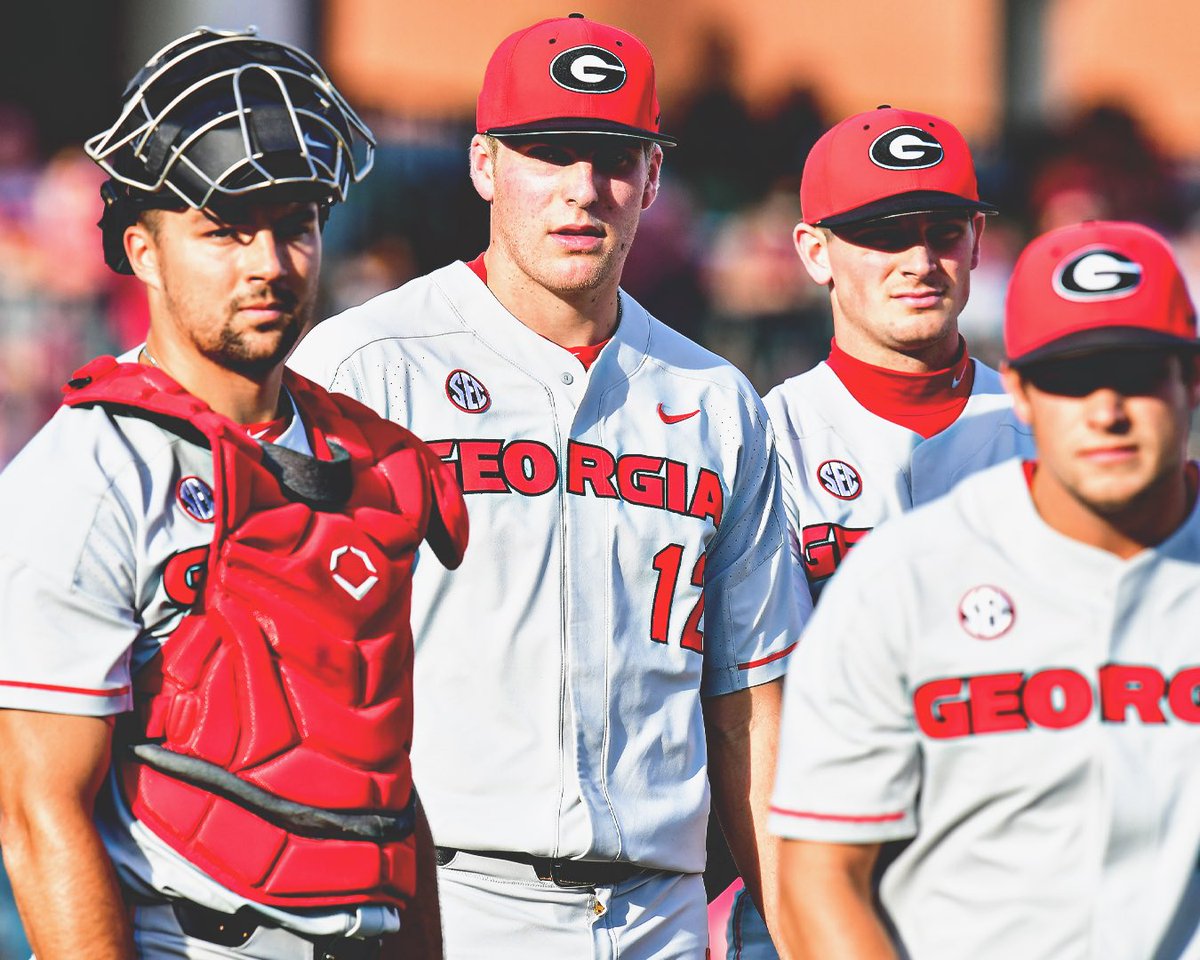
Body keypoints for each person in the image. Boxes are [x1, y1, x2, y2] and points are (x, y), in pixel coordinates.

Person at [288, 13, 805, 959]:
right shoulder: (366, 365)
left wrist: (793, 928)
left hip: (662, 909)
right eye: (548, 153)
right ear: (484, 164)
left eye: (612, 158)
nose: (582, 191)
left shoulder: (718, 400)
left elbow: (749, 707)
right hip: (440, 895)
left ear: (654, 177)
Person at [0, 27, 468, 960]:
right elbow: (36, 811)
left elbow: (381, 776)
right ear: (141, 249)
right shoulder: (91, 469)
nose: (268, 263)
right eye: (222, 231)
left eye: (292, 225)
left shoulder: (376, 460)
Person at [771, 219, 1200, 959]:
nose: (1107, 410)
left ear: (1191, 382)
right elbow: (821, 871)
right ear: (1022, 392)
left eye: (1137, 372)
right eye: (1070, 376)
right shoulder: (901, 580)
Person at [710, 104, 1036, 957]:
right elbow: (749, 706)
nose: (919, 262)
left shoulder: (1047, 429)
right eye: (883, 235)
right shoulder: (763, 439)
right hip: (823, 884)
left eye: (943, 231)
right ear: (814, 251)